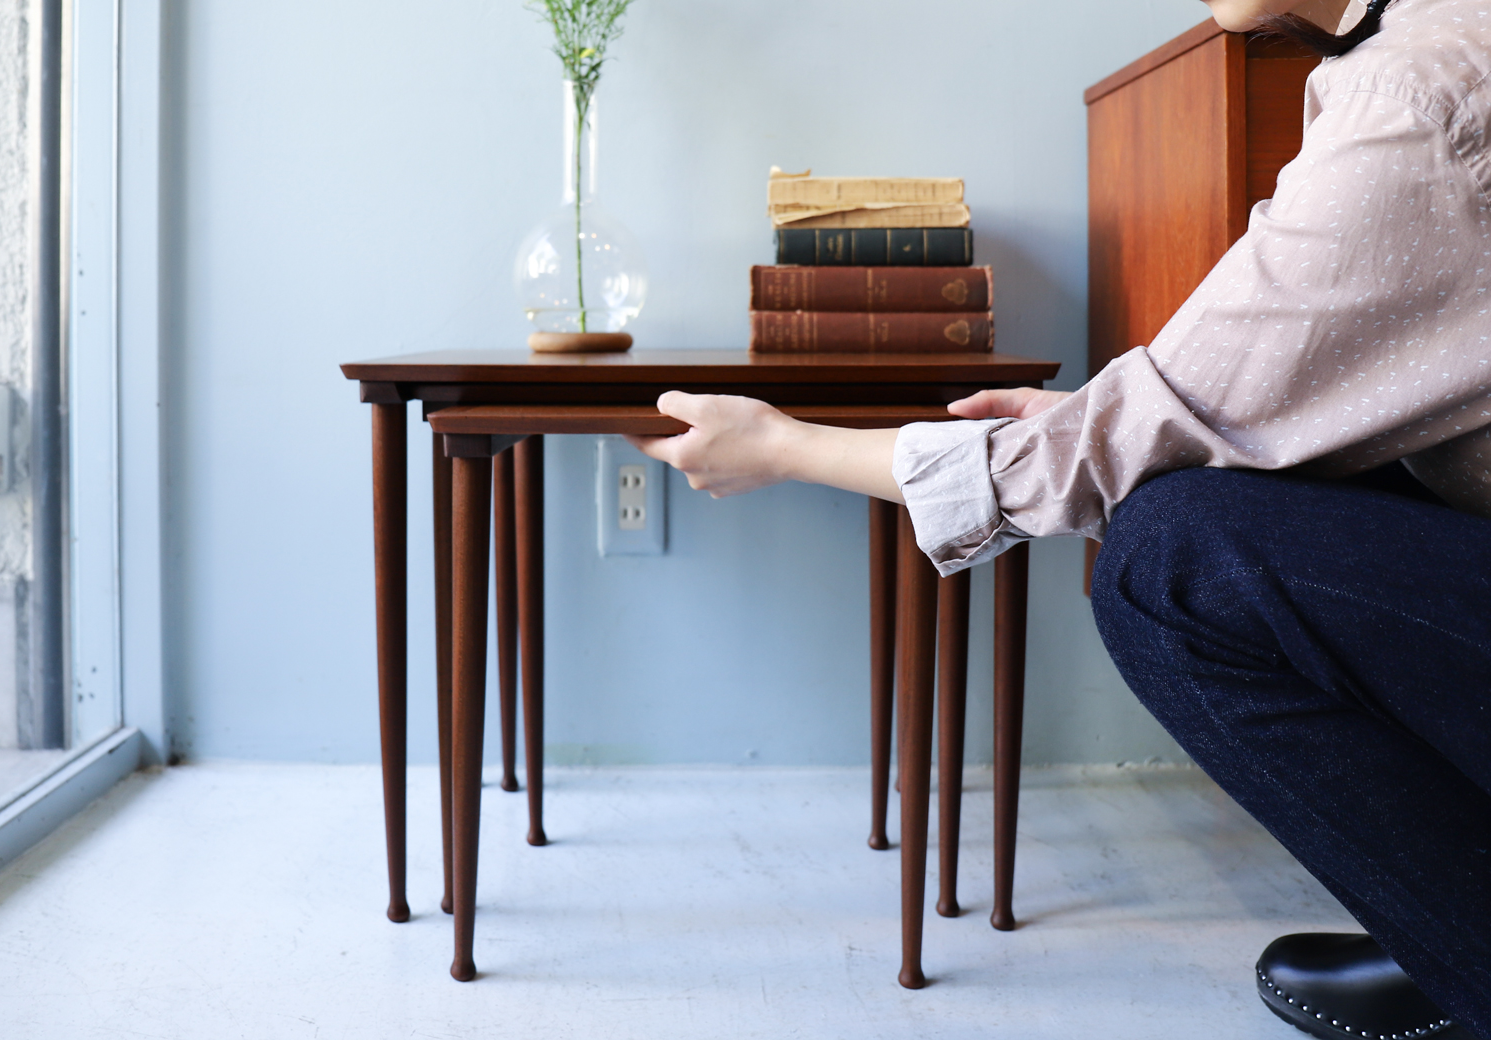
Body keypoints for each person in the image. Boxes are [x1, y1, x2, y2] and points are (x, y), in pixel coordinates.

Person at [628, 0, 1491, 1037]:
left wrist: (788, 446)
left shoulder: (1415, 97)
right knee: (1233, 480)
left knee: (1167, 563)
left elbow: (1151, 426)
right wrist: (1124, 422)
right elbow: (1248, 402)